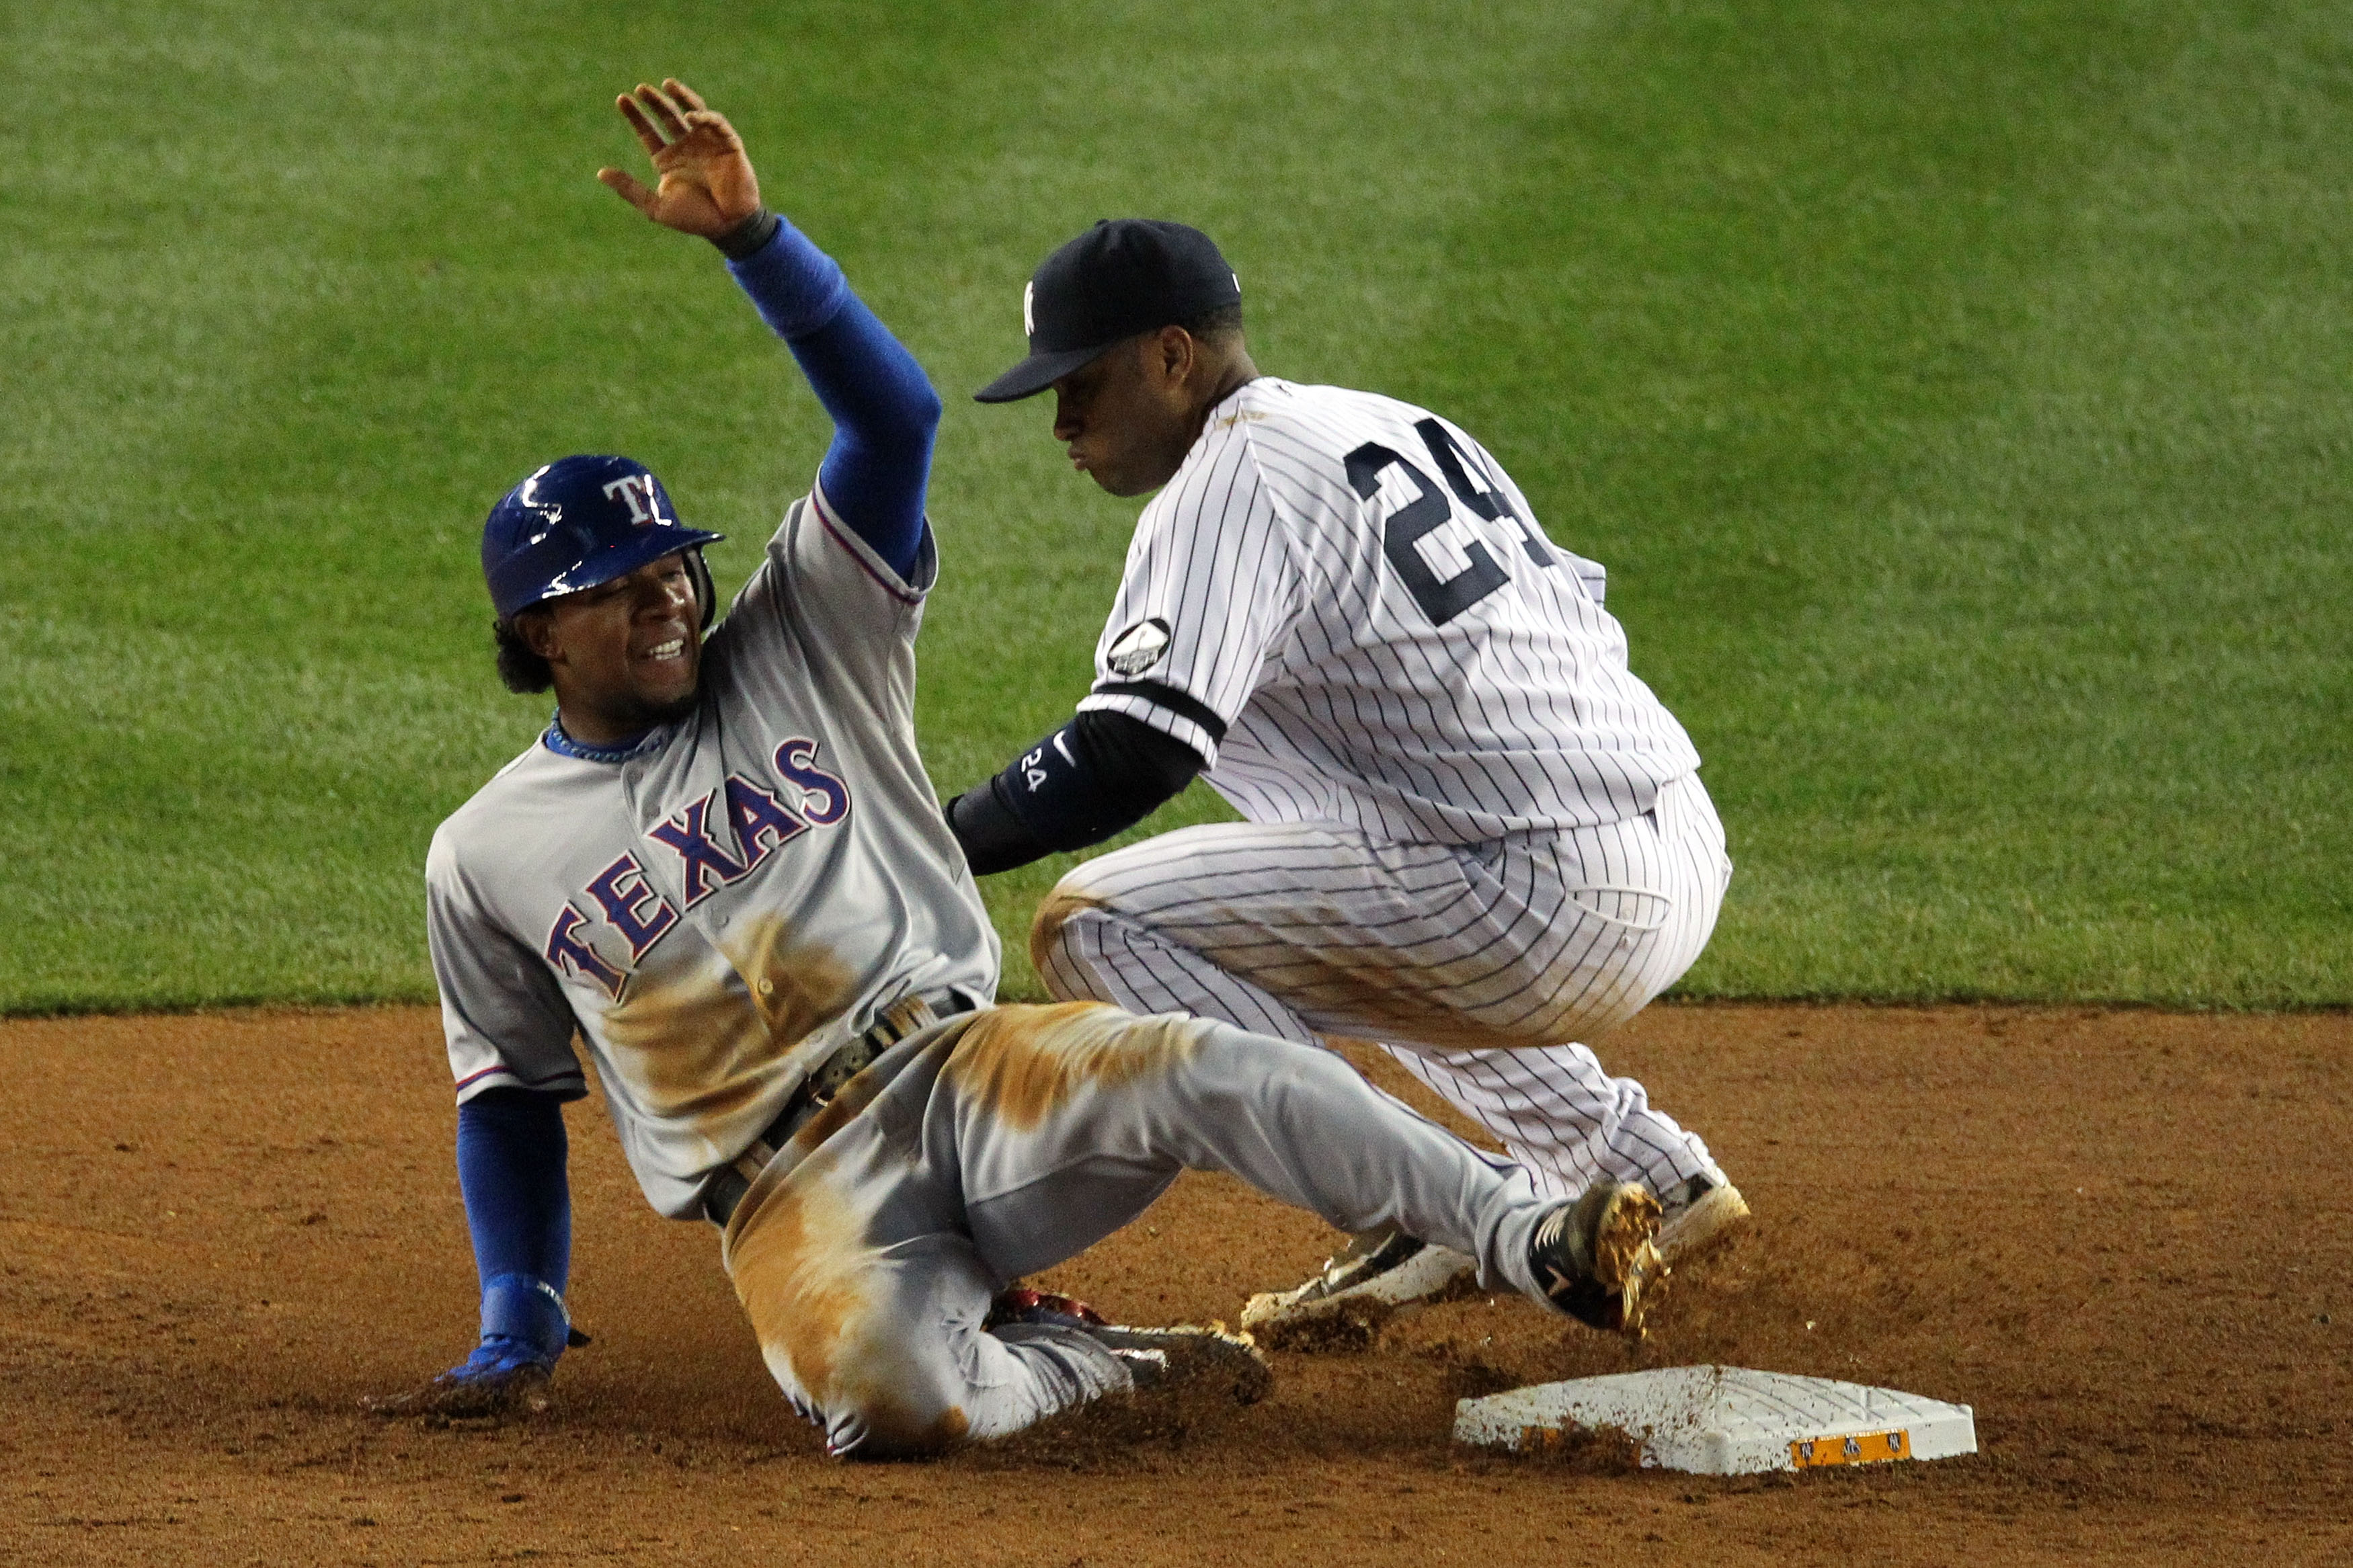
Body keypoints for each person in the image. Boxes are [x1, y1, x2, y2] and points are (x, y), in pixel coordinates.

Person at [370, 81, 1667, 1459]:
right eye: (615, 592)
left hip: (968, 1075)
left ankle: (1526, 1231)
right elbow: (510, 1095)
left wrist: (759, 242)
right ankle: (1092, 1370)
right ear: (536, 633)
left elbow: (892, 426)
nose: (667, 604)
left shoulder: (803, 634)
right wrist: (517, 1316)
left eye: (671, 571)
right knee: (886, 1403)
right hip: (788, 1203)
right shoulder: (485, 853)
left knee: (1198, 1066)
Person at [951, 220, 1748, 1338]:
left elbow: (1137, 748)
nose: (1063, 422)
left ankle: (1441, 1199)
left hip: (1543, 899)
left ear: (1172, 358)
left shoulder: (1230, 479)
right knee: (1351, 880)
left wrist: (932, 837)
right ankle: (1634, 1164)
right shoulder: (1382, 420)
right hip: (1669, 836)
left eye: (1081, 383)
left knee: (1095, 925)